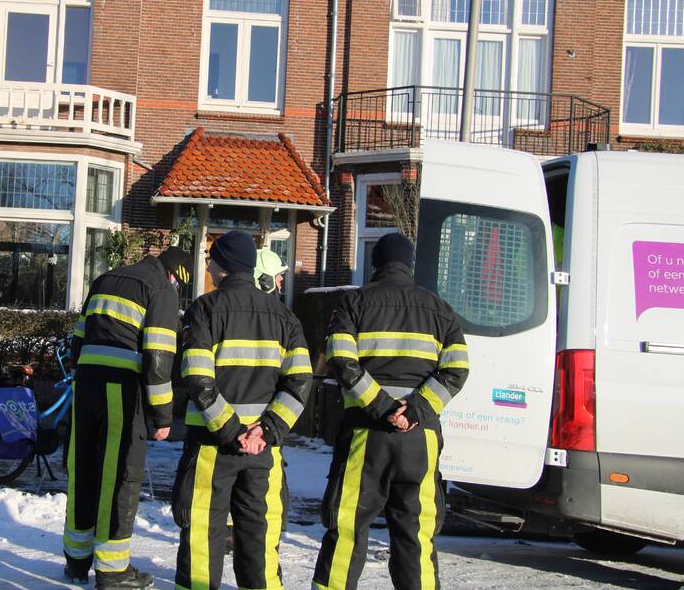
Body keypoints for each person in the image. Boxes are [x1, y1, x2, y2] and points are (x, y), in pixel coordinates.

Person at [312, 232, 469, 590]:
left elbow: (340, 358)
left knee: (348, 527)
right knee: (416, 535)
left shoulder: (354, 303)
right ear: (410, 266)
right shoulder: (441, 310)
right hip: (420, 438)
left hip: (366, 435)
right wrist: (414, 410)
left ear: (375, 264)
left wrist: (383, 408)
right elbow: (457, 369)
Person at [173, 230, 313, 590]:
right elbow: (299, 383)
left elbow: (196, 377)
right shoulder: (285, 318)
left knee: (204, 532)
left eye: (210, 260)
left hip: (212, 445)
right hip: (264, 452)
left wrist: (233, 430)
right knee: (261, 538)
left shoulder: (204, 309)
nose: (208, 266)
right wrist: (264, 431)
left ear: (221, 266)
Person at [63, 246, 193, 589]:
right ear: (175, 276)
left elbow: (77, 340)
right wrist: (163, 416)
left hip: (85, 386)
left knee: (83, 468)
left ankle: (76, 561)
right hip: (119, 389)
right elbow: (159, 359)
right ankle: (113, 571)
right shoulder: (161, 290)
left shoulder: (106, 278)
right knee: (119, 475)